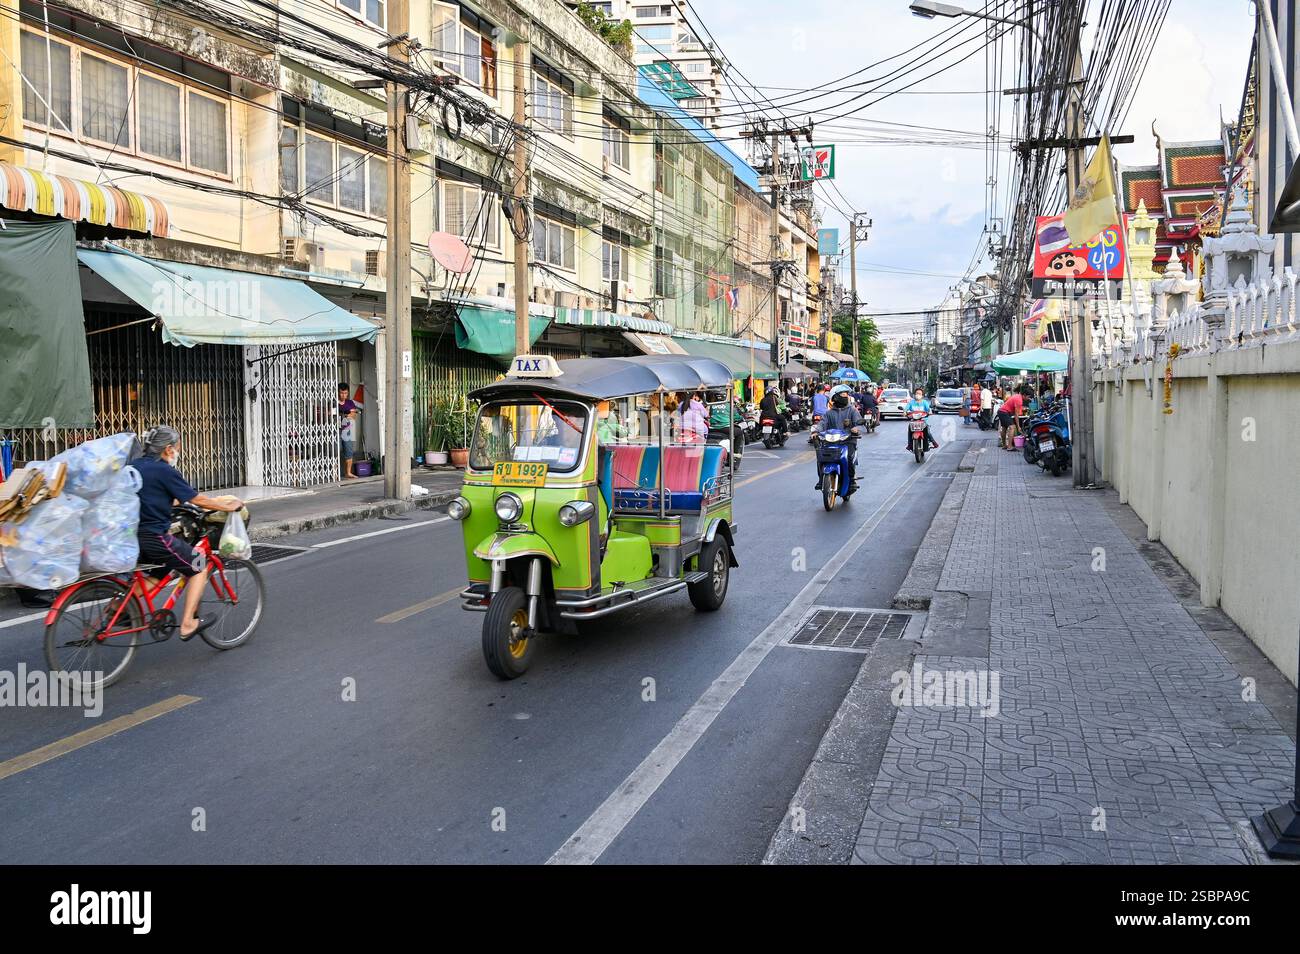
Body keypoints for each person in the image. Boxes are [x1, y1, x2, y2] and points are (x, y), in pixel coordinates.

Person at [134, 426, 244, 640]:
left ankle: (117, 608)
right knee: (199, 565)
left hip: (131, 538)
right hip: (154, 536)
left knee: (159, 573)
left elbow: (153, 495)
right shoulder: (164, 470)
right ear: (168, 449)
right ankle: (188, 624)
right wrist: (228, 506)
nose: (177, 452)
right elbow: (197, 499)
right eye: (177, 448)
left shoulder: (134, 465)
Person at [813, 390, 864, 492]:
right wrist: (816, 431)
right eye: (842, 395)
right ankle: (821, 480)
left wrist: (856, 428)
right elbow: (822, 423)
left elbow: (859, 423)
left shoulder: (852, 411)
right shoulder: (829, 413)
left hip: (848, 441)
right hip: (831, 442)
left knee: (849, 458)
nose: (845, 397)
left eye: (846, 396)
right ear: (835, 398)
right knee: (821, 457)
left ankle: (851, 481)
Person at [904, 387, 939, 451]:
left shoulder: (924, 402)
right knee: (910, 430)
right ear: (914, 394)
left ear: (922, 395)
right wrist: (904, 412)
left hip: (923, 421)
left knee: (927, 431)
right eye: (917, 393)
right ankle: (909, 444)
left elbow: (928, 409)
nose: (918, 395)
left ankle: (933, 442)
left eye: (919, 394)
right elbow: (906, 408)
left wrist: (930, 412)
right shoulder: (911, 402)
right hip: (913, 421)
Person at [338, 383, 359, 479]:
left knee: (349, 451)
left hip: (347, 430)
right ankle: (334, 473)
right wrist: (347, 414)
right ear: (338, 392)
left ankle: (348, 473)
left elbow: (353, 415)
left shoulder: (350, 402)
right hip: (336, 430)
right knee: (335, 451)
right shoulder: (333, 402)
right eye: (341, 393)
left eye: (345, 393)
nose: (343, 395)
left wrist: (345, 415)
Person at [998, 385, 1026, 450]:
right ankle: (1009, 446)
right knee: (1012, 427)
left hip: (1001, 411)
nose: (1029, 398)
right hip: (1004, 412)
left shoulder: (1017, 396)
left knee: (1004, 428)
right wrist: (1018, 427)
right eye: (1028, 397)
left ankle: (1004, 445)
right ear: (1024, 395)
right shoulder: (1019, 400)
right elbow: (1016, 415)